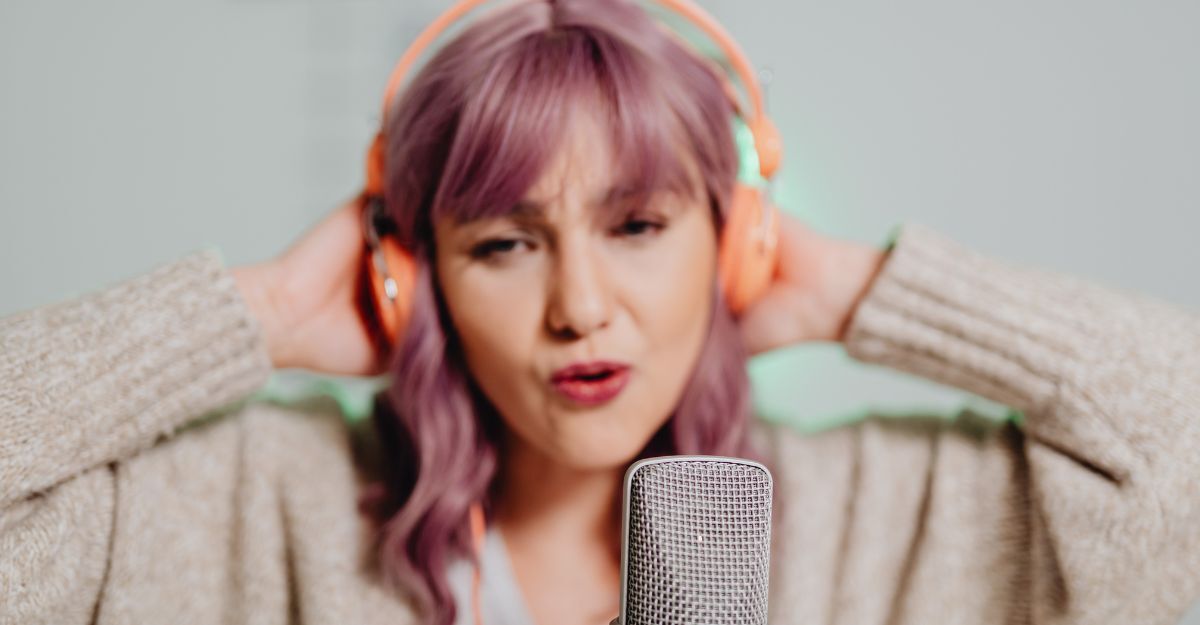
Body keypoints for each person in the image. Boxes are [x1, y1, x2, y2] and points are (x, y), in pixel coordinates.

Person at [3, 0, 1199, 624]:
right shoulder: (243, 507)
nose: (580, 307)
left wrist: (855, 290)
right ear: (411, 278)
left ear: (733, 251)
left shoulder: (885, 522)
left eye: (639, 227)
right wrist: (254, 314)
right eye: (506, 243)